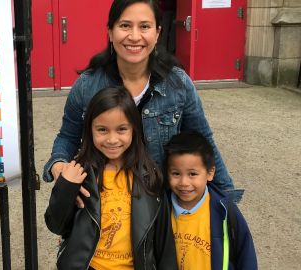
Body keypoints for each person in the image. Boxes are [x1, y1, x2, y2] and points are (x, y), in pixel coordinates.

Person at [42, 0, 243, 204]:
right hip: (105, 205)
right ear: (111, 32)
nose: (135, 36)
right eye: (125, 25)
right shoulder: (87, 86)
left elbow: (203, 141)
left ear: (157, 33)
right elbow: (68, 137)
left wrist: (227, 200)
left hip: (161, 205)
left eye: (144, 26)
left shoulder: (178, 84)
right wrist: (58, 166)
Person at [45, 87, 177, 270]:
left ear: (134, 129)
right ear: (90, 130)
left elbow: (164, 240)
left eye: (121, 129)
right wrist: (66, 187)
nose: (112, 139)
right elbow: (56, 225)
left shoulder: (149, 175)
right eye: (102, 130)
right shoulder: (80, 173)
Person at [164, 131, 257, 269]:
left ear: (210, 173)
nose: (184, 182)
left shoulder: (224, 211)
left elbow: (246, 253)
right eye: (176, 173)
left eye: (192, 174)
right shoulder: (161, 209)